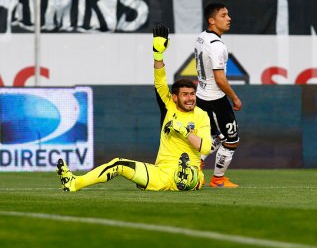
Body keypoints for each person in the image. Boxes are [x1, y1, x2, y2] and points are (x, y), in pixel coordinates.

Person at [56, 24, 212, 192]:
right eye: (185, 94)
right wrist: (158, 54)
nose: (190, 98)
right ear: (175, 97)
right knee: (118, 164)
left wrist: (184, 130)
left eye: (192, 94)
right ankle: (74, 183)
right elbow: (160, 81)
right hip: (160, 174)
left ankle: (188, 178)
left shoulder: (201, 115)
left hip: (188, 172)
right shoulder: (169, 106)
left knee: (190, 174)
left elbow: (205, 148)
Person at [194, 2, 242, 188]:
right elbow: (220, 79)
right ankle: (217, 179)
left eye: (228, 14)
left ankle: (196, 165)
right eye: (223, 15)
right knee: (231, 140)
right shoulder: (217, 46)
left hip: (203, 95)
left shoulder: (201, 38)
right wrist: (235, 98)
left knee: (214, 137)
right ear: (211, 20)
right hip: (214, 99)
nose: (229, 18)